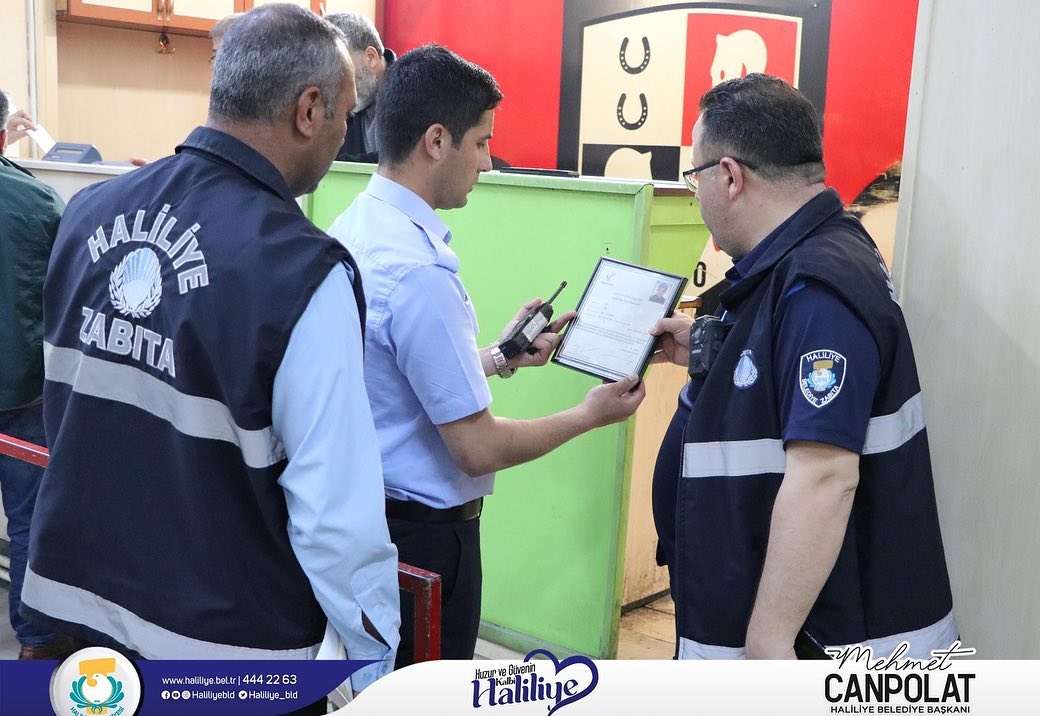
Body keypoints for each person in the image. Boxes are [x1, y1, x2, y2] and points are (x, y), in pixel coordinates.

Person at [21, 4, 398, 703]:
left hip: (80, 611)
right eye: (346, 115)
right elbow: (335, 518)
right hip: (224, 648)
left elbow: (69, 410)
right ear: (308, 110)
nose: (346, 134)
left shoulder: (88, 213)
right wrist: (373, 659)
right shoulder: (302, 272)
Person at [329, 44, 646, 666]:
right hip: (423, 540)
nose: (487, 161)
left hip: (369, 524)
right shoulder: (420, 273)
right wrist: (589, 415)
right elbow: (477, 448)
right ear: (436, 141)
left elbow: (392, 377)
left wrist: (501, 356)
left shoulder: (357, 226)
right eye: (480, 143)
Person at [650, 73, 956, 660]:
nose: (697, 194)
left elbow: (825, 477)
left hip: (814, 641)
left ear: (730, 176)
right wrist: (719, 350)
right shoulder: (815, 253)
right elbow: (782, 371)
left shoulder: (817, 287)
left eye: (695, 177)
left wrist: (769, 639)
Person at [0, 91, 72, 661]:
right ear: (5, 134)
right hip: (21, 389)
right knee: (28, 518)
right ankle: (37, 643)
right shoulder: (40, 201)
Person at [325, 11, 394, 163]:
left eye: (341, 66)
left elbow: (406, 160)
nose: (335, 79)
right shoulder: (339, 104)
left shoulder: (415, 94)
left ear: (371, 57)